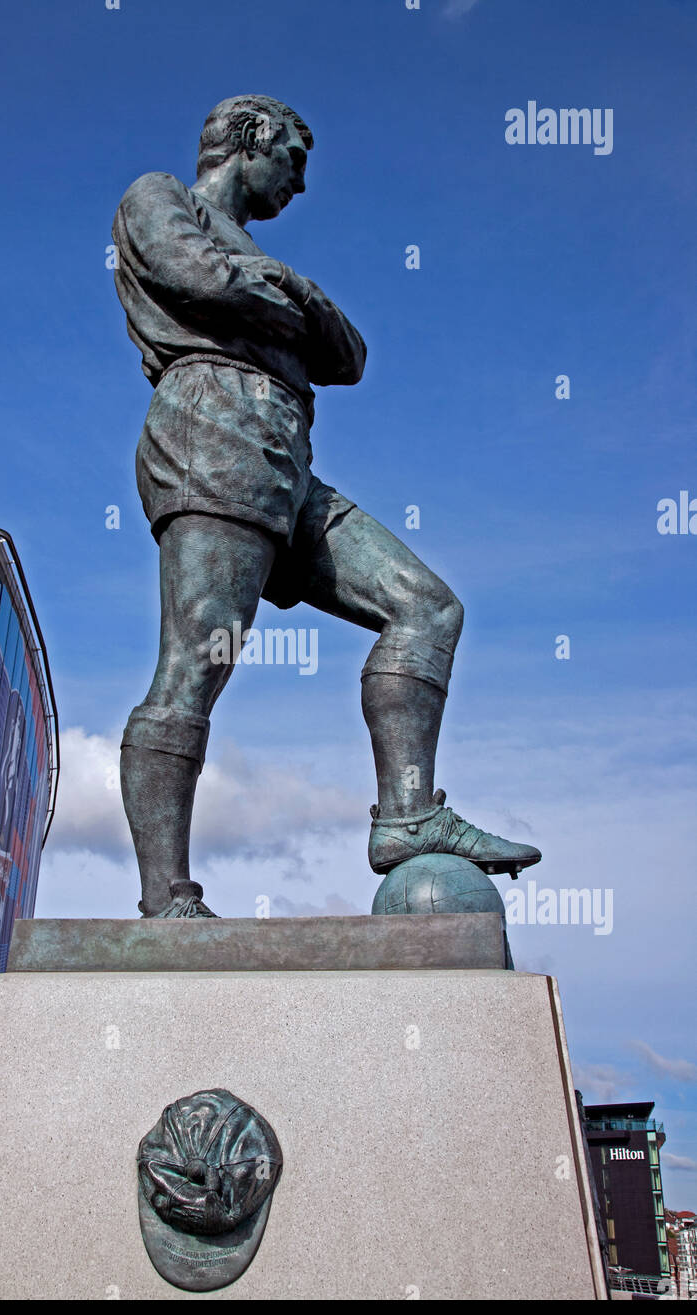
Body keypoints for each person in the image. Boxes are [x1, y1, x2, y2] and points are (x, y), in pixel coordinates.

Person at [112, 94, 540, 918]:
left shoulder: (267, 259)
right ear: (251, 140)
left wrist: (280, 286)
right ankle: (166, 899)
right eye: (294, 162)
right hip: (212, 431)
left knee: (427, 607)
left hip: (285, 458)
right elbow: (199, 280)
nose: (299, 187)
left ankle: (409, 818)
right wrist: (274, 296)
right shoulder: (158, 196)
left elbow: (348, 354)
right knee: (196, 666)